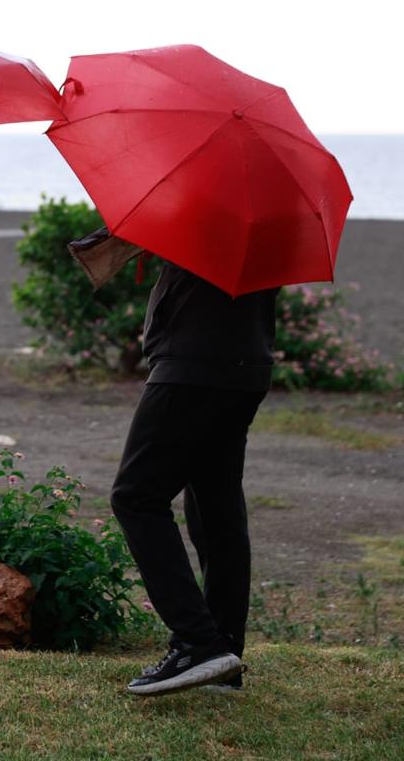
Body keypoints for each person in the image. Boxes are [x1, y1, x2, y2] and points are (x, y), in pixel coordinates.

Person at [111, 258, 279, 696]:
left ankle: (197, 642)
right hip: (245, 363)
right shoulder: (262, 210)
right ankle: (224, 656)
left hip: (193, 362)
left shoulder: (207, 200)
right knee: (214, 501)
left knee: (136, 497)